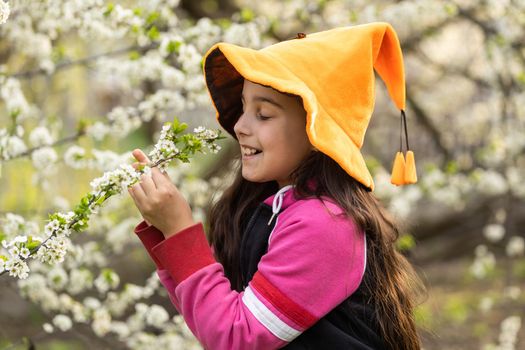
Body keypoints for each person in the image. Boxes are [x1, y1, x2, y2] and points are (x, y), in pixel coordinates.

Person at [128, 22, 424, 349]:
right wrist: (167, 232)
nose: (239, 126)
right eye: (243, 108)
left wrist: (180, 229)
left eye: (263, 114)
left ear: (317, 132)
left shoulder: (325, 225)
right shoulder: (272, 210)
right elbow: (211, 318)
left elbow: (233, 338)